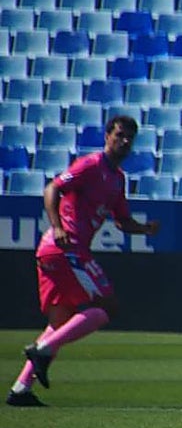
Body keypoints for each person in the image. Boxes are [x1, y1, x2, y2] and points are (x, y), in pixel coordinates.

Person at [7, 115, 160, 407]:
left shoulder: (117, 178)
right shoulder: (91, 165)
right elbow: (53, 188)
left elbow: (122, 220)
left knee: (61, 320)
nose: (125, 141)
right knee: (106, 307)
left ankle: (21, 388)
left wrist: (143, 229)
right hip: (66, 248)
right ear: (107, 136)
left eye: (130, 137)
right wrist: (58, 226)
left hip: (61, 251)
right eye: (119, 135)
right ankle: (42, 350)